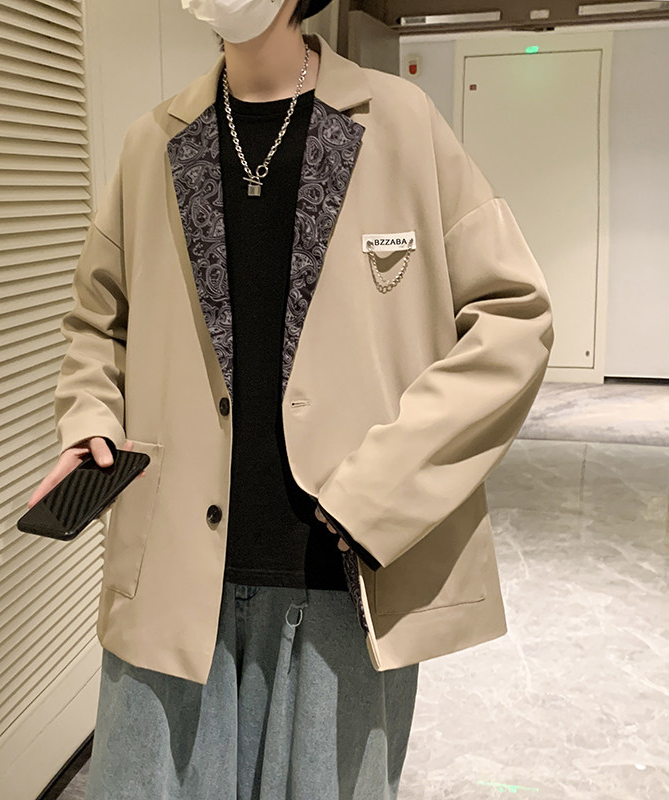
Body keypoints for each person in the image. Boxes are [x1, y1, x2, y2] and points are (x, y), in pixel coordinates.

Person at [27, 0, 554, 796]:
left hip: (341, 577)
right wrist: (90, 417)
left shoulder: (401, 122)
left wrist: (386, 488)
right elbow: (98, 322)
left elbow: (515, 318)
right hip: (174, 572)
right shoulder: (152, 143)